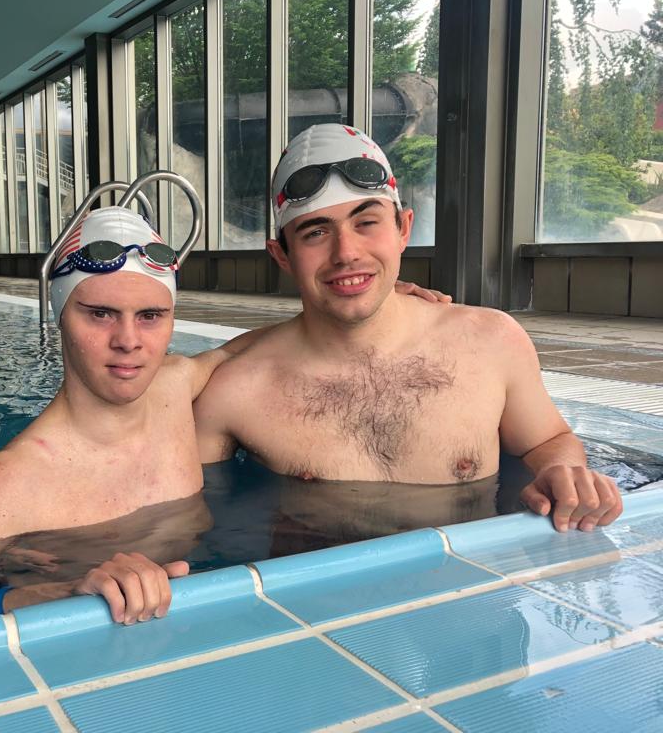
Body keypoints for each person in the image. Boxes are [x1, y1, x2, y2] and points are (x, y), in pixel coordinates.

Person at [0, 197, 449, 636]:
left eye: (150, 316)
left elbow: (251, 345)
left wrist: (380, 301)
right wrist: (50, 596)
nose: (129, 341)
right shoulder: (14, 481)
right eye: (100, 314)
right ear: (59, 317)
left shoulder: (175, 386)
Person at [194, 123, 622, 534]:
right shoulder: (235, 391)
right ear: (282, 256)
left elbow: (546, 440)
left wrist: (563, 471)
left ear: (403, 229)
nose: (346, 253)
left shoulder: (491, 342)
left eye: (366, 222)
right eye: (316, 232)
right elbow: (184, 519)